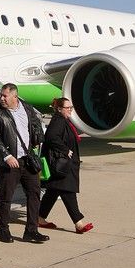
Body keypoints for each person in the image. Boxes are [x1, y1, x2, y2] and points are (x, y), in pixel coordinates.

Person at [0, 83, 49, 244]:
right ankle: (3, 230)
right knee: (6, 196)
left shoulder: (26, 108)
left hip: (27, 159)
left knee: (34, 194)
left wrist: (37, 138)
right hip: (10, 163)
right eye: (1, 95)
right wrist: (7, 156)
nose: (1, 98)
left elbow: (35, 124)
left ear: (15, 97)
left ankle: (31, 230)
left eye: (5, 96)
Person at [37, 98, 93, 234]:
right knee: (68, 190)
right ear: (59, 109)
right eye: (67, 108)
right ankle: (78, 223)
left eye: (71, 107)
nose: (70, 110)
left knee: (53, 191)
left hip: (61, 164)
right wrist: (65, 150)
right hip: (61, 164)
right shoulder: (59, 121)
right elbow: (50, 137)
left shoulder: (62, 120)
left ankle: (39, 218)